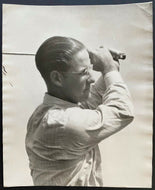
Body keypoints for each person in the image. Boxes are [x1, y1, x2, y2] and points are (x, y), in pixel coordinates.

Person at [25, 36, 134, 186]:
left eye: (90, 70)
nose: (92, 79)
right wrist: (109, 69)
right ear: (57, 78)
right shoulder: (63, 123)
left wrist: (109, 66)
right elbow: (122, 111)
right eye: (84, 73)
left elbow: (92, 100)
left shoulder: (50, 114)